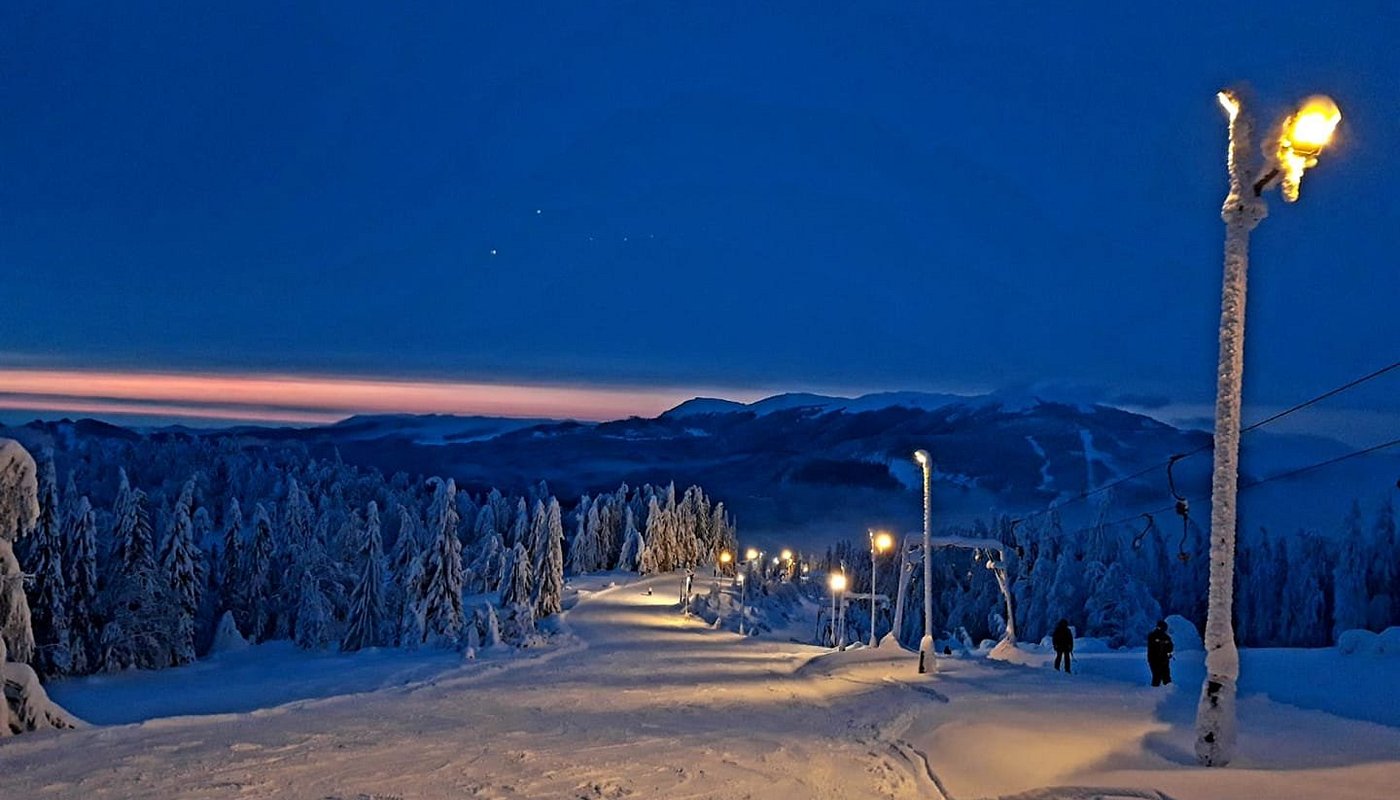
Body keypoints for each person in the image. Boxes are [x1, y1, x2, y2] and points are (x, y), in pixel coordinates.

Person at [1147, 619, 1174, 686]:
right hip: (1154, 659)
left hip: (1163, 659)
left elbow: (1170, 647)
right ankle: (1155, 692)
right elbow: (1152, 645)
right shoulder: (1152, 636)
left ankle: (1169, 692)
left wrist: (1166, 647)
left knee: (1166, 677)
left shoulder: (1166, 637)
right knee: (1157, 676)